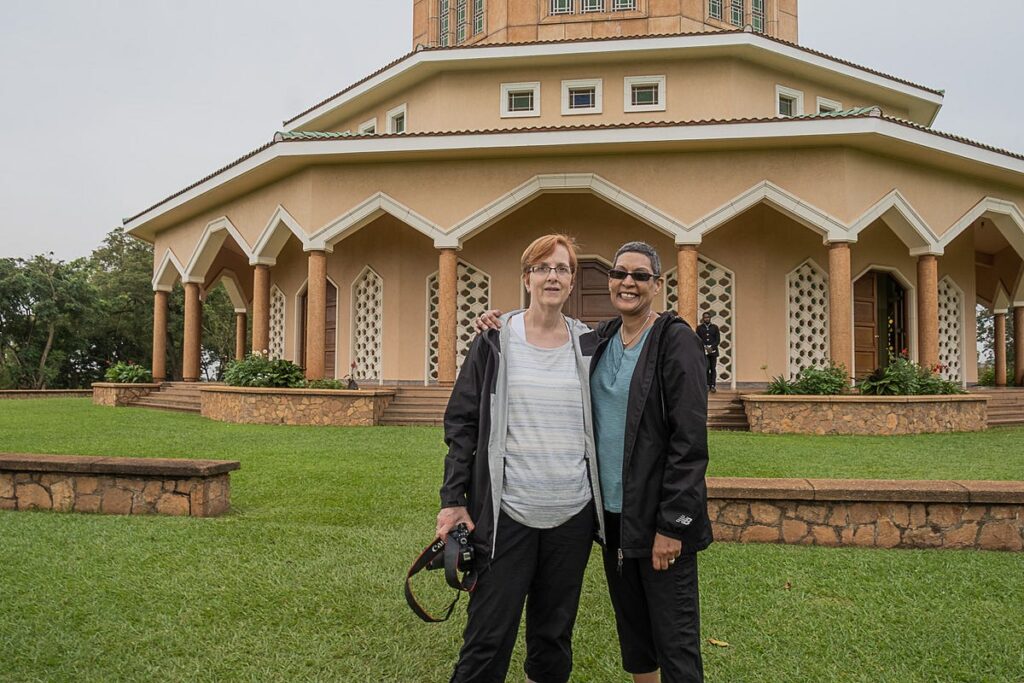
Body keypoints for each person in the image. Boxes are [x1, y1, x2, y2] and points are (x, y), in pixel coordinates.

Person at [474, 241, 713, 683]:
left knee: (675, 641)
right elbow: (539, 327)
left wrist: (673, 525)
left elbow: (690, 442)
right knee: (637, 637)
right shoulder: (599, 339)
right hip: (613, 521)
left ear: (657, 286)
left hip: (658, 521)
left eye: (641, 276)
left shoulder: (676, 340)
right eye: (620, 273)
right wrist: (499, 318)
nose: (628, 283)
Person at [436, 233, 604, 683]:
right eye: (543, 267)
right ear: (527, 277)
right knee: (487, 637)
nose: (553, 276)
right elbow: (462, 423)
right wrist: (454, 499)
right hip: (505, 514)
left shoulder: (589, 344)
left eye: (563, 268)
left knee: (552, 638)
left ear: (572, 281)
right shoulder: (494, 340)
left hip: (572, 514)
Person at [696, 312, 721, 393]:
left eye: (708, 317)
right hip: (704, 351)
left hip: (713, 351)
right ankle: (706, 385)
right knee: (706, 368)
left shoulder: (715, 327)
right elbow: (698, 339)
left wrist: (712, 347)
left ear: (710, 318)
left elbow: (717, 340)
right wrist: (704, 347)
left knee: (713, 368)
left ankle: (713, 385)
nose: (707, 318)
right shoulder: (699, 328)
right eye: (705, 317)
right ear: (703, 318)